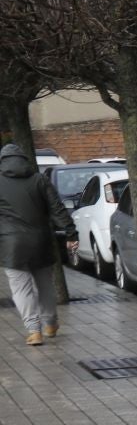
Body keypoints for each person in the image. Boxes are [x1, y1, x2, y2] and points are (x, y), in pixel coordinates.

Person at [0, 143, 78, 345]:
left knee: (21, 289)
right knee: (45, 286)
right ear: (24, 160)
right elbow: (57, 209)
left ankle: (34, 331)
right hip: (40, 241)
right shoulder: (39, 180)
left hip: (11, 246)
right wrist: (71, 233)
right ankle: (50, 323)